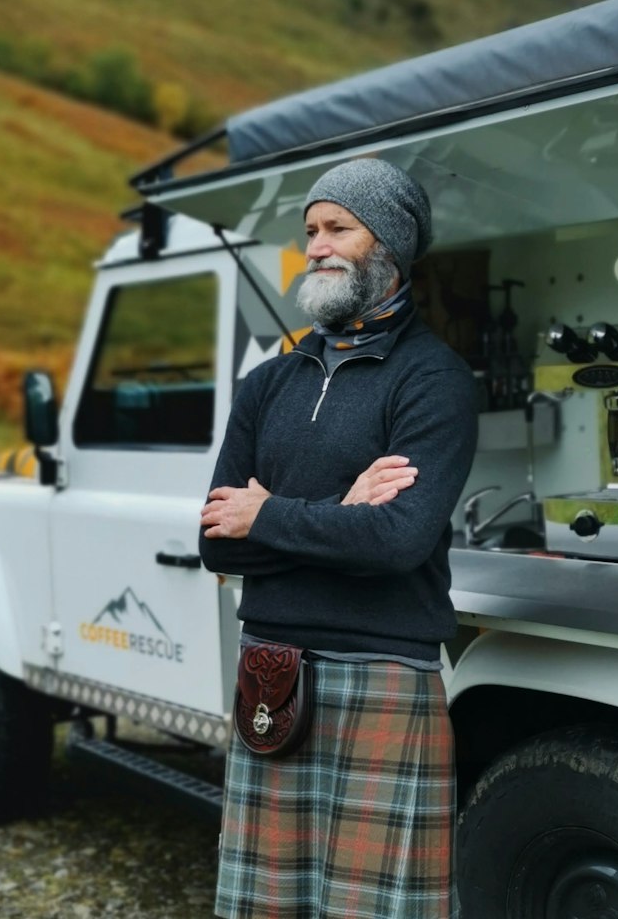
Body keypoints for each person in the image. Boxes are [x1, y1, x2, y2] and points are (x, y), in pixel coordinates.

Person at [200, 158, 478, 919]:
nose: (315, 246)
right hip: (274, 672)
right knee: (270, 907)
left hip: (384, 672)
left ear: (385, 245)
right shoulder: (267, 384)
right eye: (310, 231)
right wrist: (338, 505)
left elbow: (397, 540)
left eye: (337, 230)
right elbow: (218, 544)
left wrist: (273, 515)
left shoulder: (434, 381)